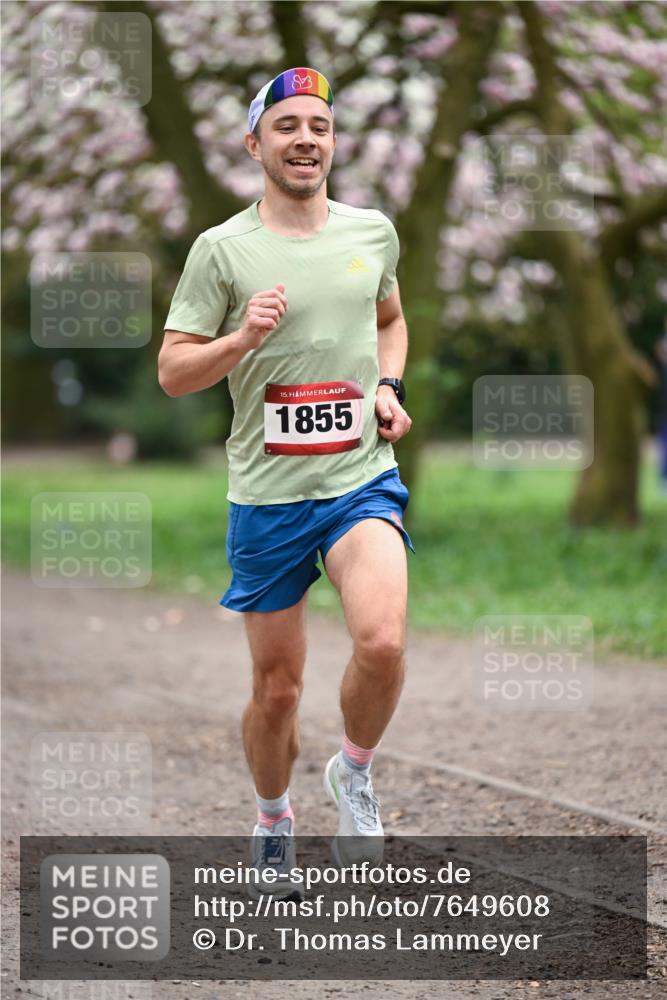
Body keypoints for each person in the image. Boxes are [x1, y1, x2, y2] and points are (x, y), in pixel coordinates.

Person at [158, 67, 414, 897]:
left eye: (319, 127)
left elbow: (389, 318)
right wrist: (237, 341)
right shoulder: (221, 250)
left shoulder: (371, 232)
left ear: (332, 142)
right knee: (277, 691)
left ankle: (355, 772)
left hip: (358, 478)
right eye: (287, 127)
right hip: (267, 496)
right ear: (254, 143)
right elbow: (172, 372)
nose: (306, 139)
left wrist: (387, 386)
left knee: (381, 641)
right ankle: (272, 817)